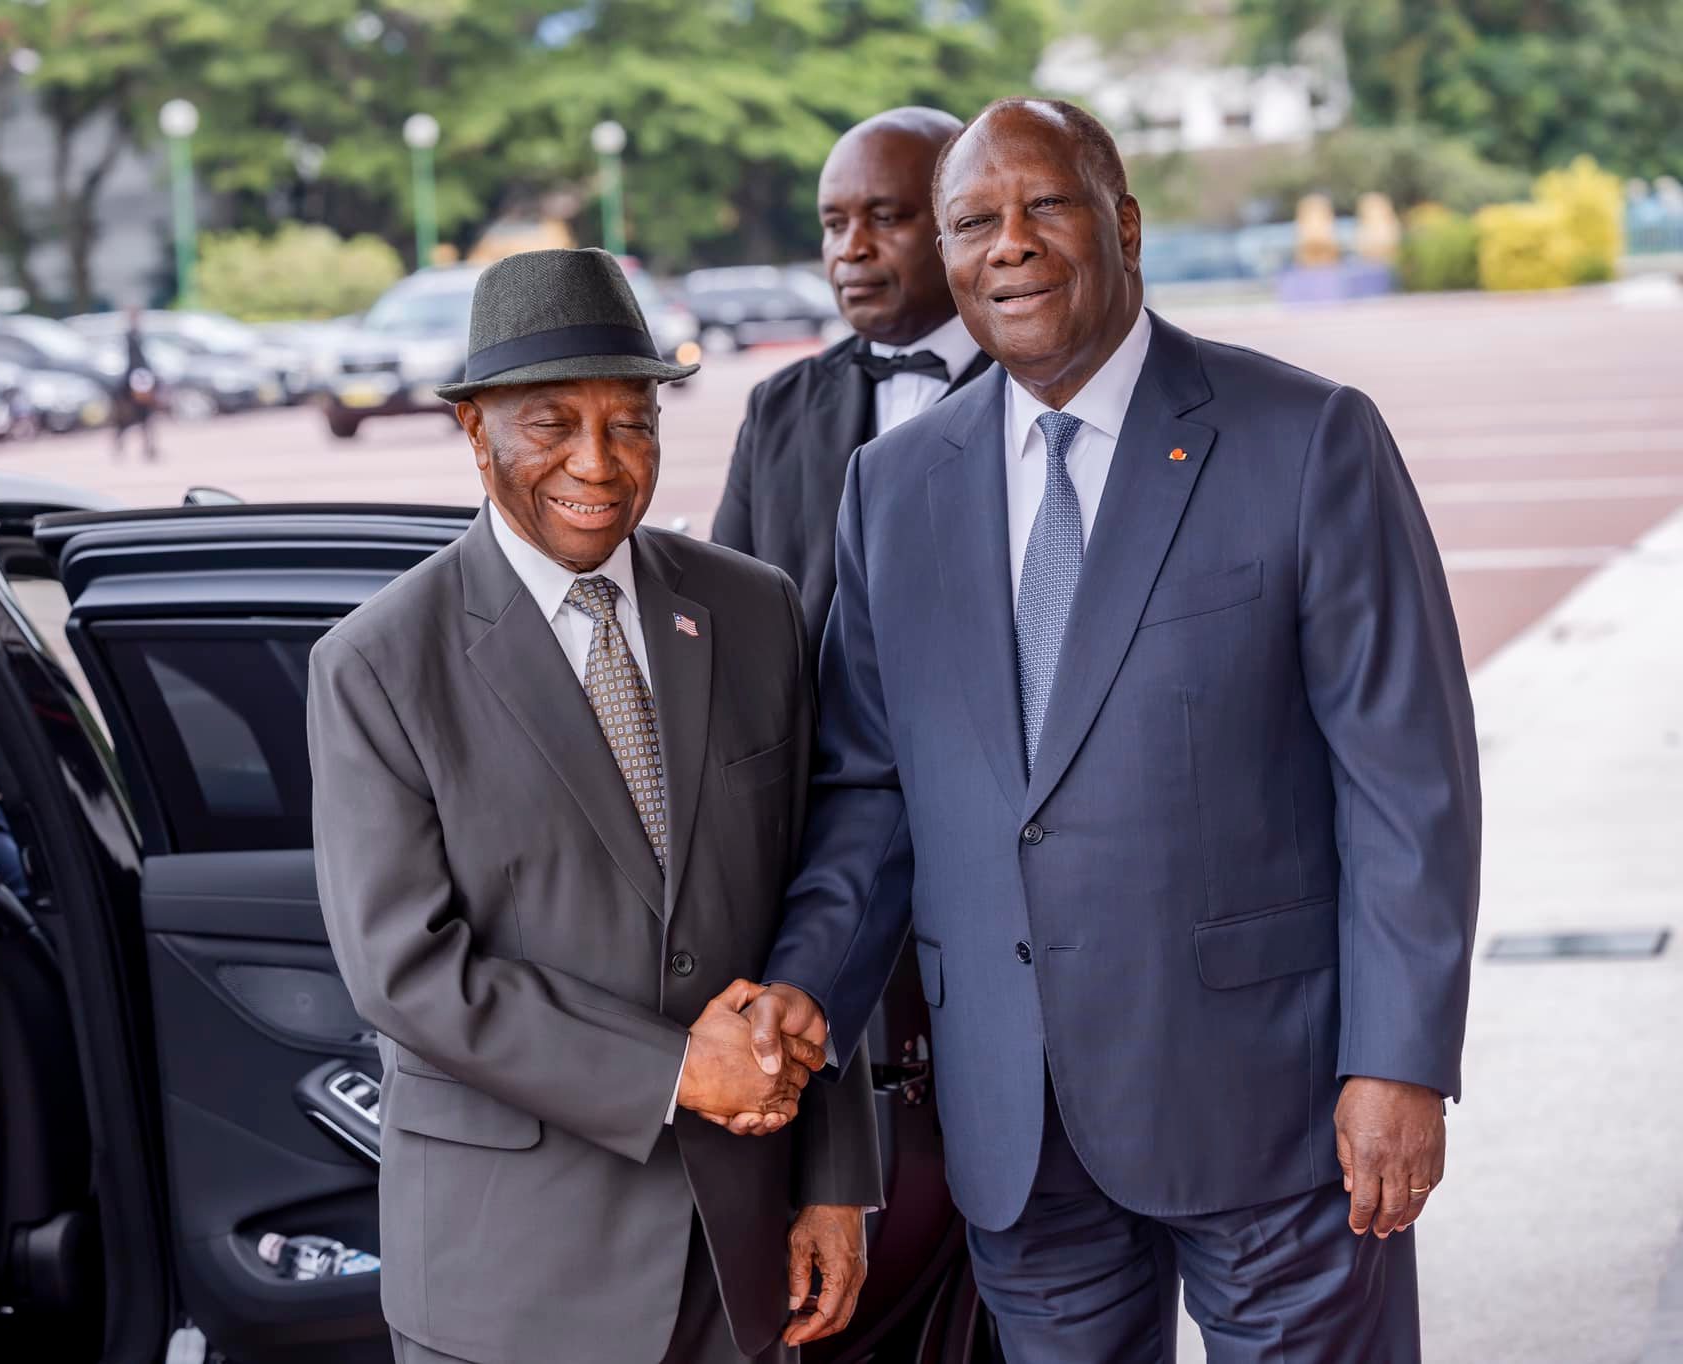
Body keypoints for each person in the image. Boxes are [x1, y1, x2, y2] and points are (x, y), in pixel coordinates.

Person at [743, 98, 1482, 1361]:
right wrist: (802, 990)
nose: (1007, 244)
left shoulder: (1307, 439)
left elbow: (1404, 781)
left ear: (1123, 224)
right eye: (971, 220)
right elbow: (868, 792)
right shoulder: (894, 487)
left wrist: (1400, 1061)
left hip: (1274, 1102)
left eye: (1045, 206)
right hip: (1018, 1126)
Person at [306, 248, 881, 1364]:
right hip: (511, 1280)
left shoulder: (752, 608)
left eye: (630, 423)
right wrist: (672, 1072)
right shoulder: (376, 663)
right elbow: (406, 972)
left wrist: (833, 1180)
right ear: (475, 430)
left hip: (740, 1250)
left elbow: (811, 899)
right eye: (550, 423)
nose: (597, 462)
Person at [712, 107, 991, 657]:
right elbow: (724, 606)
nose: (851, 248)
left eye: (885, 218)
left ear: (966, 224)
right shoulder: (779, 405)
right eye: (835, 225)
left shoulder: (1038, 389)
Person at [112, 305, 158, 460]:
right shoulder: (131, 336)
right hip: (136, 380)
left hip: (138, 378)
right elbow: (135, 361)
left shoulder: (138, 335)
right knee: (131, 419)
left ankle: (148, 448)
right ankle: (142, 448)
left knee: (144, 418)